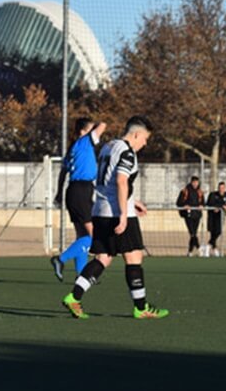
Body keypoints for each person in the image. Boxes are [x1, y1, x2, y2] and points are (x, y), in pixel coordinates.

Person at [61, 116, 168, 320]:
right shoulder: (128, 152)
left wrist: (132, 201)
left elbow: (109, 180)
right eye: (145, 139)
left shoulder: (108, 146)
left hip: (99, 210)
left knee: (103, 258)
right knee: (134, 256)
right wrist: (124, 215)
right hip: (117, 213)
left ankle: (74, 297)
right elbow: (120, 181)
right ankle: (141, 307)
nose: (145, 143)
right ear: (136, 134)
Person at [50, 118, 107, 281]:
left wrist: (59, 193)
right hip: (82, 190)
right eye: (90, 129)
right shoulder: (84, 141)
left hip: (73, 191)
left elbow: (63, 173)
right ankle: (60, 259)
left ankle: (82, 275)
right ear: (83, 131)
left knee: (82, 235)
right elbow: (103, 125)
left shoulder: (73, 148)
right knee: (93, 236)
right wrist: (95, 124)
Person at [176, 176, 205, 256]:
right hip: (188, 215)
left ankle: (190, 251)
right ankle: (199, 248)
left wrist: (201, 206)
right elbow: (178, 202)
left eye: (197, 182)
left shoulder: (200, 192)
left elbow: (203, 202)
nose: (195, 184)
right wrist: (184, 205)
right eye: (194, 182)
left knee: (194, 233)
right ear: (191, 182)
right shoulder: (185, 191)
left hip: (197, 215)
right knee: (192, 233)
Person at [204, 181, 226, 257]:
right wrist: (221, 206)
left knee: (218, 232)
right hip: (212, 217)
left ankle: (209, 246)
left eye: (223, 188)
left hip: (220, 217)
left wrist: (223, 206)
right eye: (220, 188)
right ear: (218, 188)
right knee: (213, 233)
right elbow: (209, 203)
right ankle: (212, 249)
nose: (221, 189)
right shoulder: (213, 195)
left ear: (225, 188)